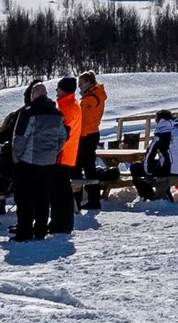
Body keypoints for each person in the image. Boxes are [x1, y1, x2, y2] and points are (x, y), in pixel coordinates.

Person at [8, 80, 68, 241]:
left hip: (28, 161)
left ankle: (24, 230)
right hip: (48, 162)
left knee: (25, 198)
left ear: (33, 95)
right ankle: (41, 229)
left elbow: (20, 138)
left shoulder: (28, 113)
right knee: (43, 197)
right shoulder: (57, 114)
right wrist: (54, 152)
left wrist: (16, 157)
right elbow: (63, 136)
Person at [52, 76, 84, 234]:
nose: (56, 91)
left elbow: (63, 132)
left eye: (58, 88)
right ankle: (60, 222)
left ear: (64, 89)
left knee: (61, 191)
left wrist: (54, 150)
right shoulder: (70, 104)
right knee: (62, 191)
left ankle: (62, 224)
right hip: (67, 153)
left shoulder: (68, 107)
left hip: (63, 154)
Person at [73, 70, 107, 213]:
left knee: (82, 167)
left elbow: (83, 120)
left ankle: (82, 198)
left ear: (88, 82)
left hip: (86, 135)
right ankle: (90, 199)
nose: (79, 86)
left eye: (81, 83)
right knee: (87, 167)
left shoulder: (90, 99)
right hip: (91, 134)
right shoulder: (95, 95)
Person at [137, 108, 178, 200]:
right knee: (165, 161)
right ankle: (165, 194)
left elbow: (149, 155)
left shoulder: (162, 133)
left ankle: (148, 197)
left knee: (136, 167)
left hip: (170, 170)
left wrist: (148, 172)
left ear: (159, 120)